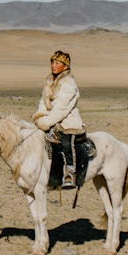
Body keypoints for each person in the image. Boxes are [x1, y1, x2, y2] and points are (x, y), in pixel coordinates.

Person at [32, 50, 86, 189]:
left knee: (67, 142)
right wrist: (40, 117)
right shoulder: (49, 82)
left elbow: (62, 108)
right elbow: (43, 102)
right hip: (50, 119)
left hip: (67, 121)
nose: (53, 65)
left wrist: (47, 122)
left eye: (57, 63)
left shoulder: (69, 84)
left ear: (65, 66)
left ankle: (70, 173)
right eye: (52, 62)